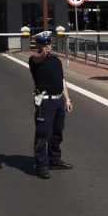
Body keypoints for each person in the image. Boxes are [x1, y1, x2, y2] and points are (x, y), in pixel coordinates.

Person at [29, 31, 74, 179]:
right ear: (38, 45)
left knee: (57, 132)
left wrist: (67, 99)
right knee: (43, 134)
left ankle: (54, 160)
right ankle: (41, 165)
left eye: (49, 43)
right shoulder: (35, 59)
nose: (47, 46)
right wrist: (43, 55)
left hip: (58, 100)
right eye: (43, 44)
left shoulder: (56, 60)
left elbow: (62, 81)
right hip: (44, 101)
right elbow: (37, 59)